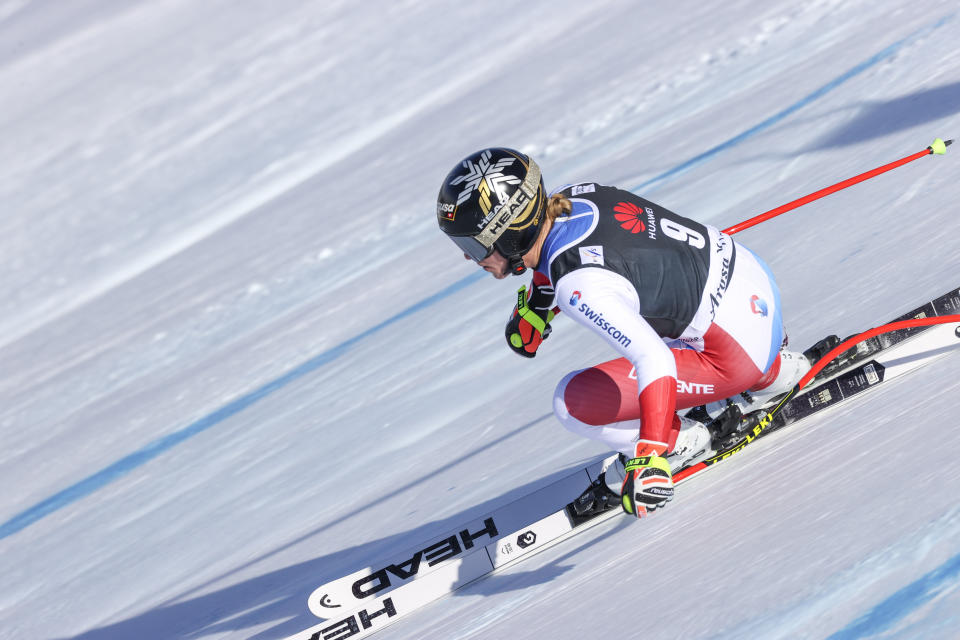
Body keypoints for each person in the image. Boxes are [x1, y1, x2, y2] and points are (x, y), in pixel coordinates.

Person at [436, 148, 809, 519]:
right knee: (651, 300)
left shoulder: (577, 285)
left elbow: (654, 358)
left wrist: (649, 457)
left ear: (509, 232)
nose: (471, 258)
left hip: (737, 352)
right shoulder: (575, 197)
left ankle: (679, 442)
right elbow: (571, 250)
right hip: (754, 285)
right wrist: (536, 304)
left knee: (572, 404)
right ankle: (772, 374)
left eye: (474, 244)